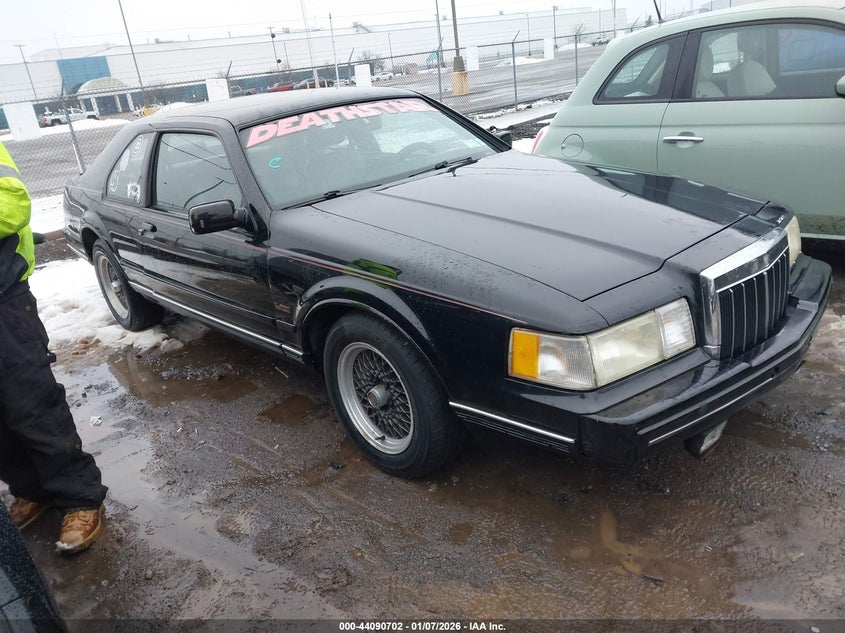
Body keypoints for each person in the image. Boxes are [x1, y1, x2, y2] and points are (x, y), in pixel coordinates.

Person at [0, 140, 107, 554]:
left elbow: (12, 207)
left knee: (32, 405)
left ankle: (79, 497)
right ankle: (31, 489)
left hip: (3, 299)